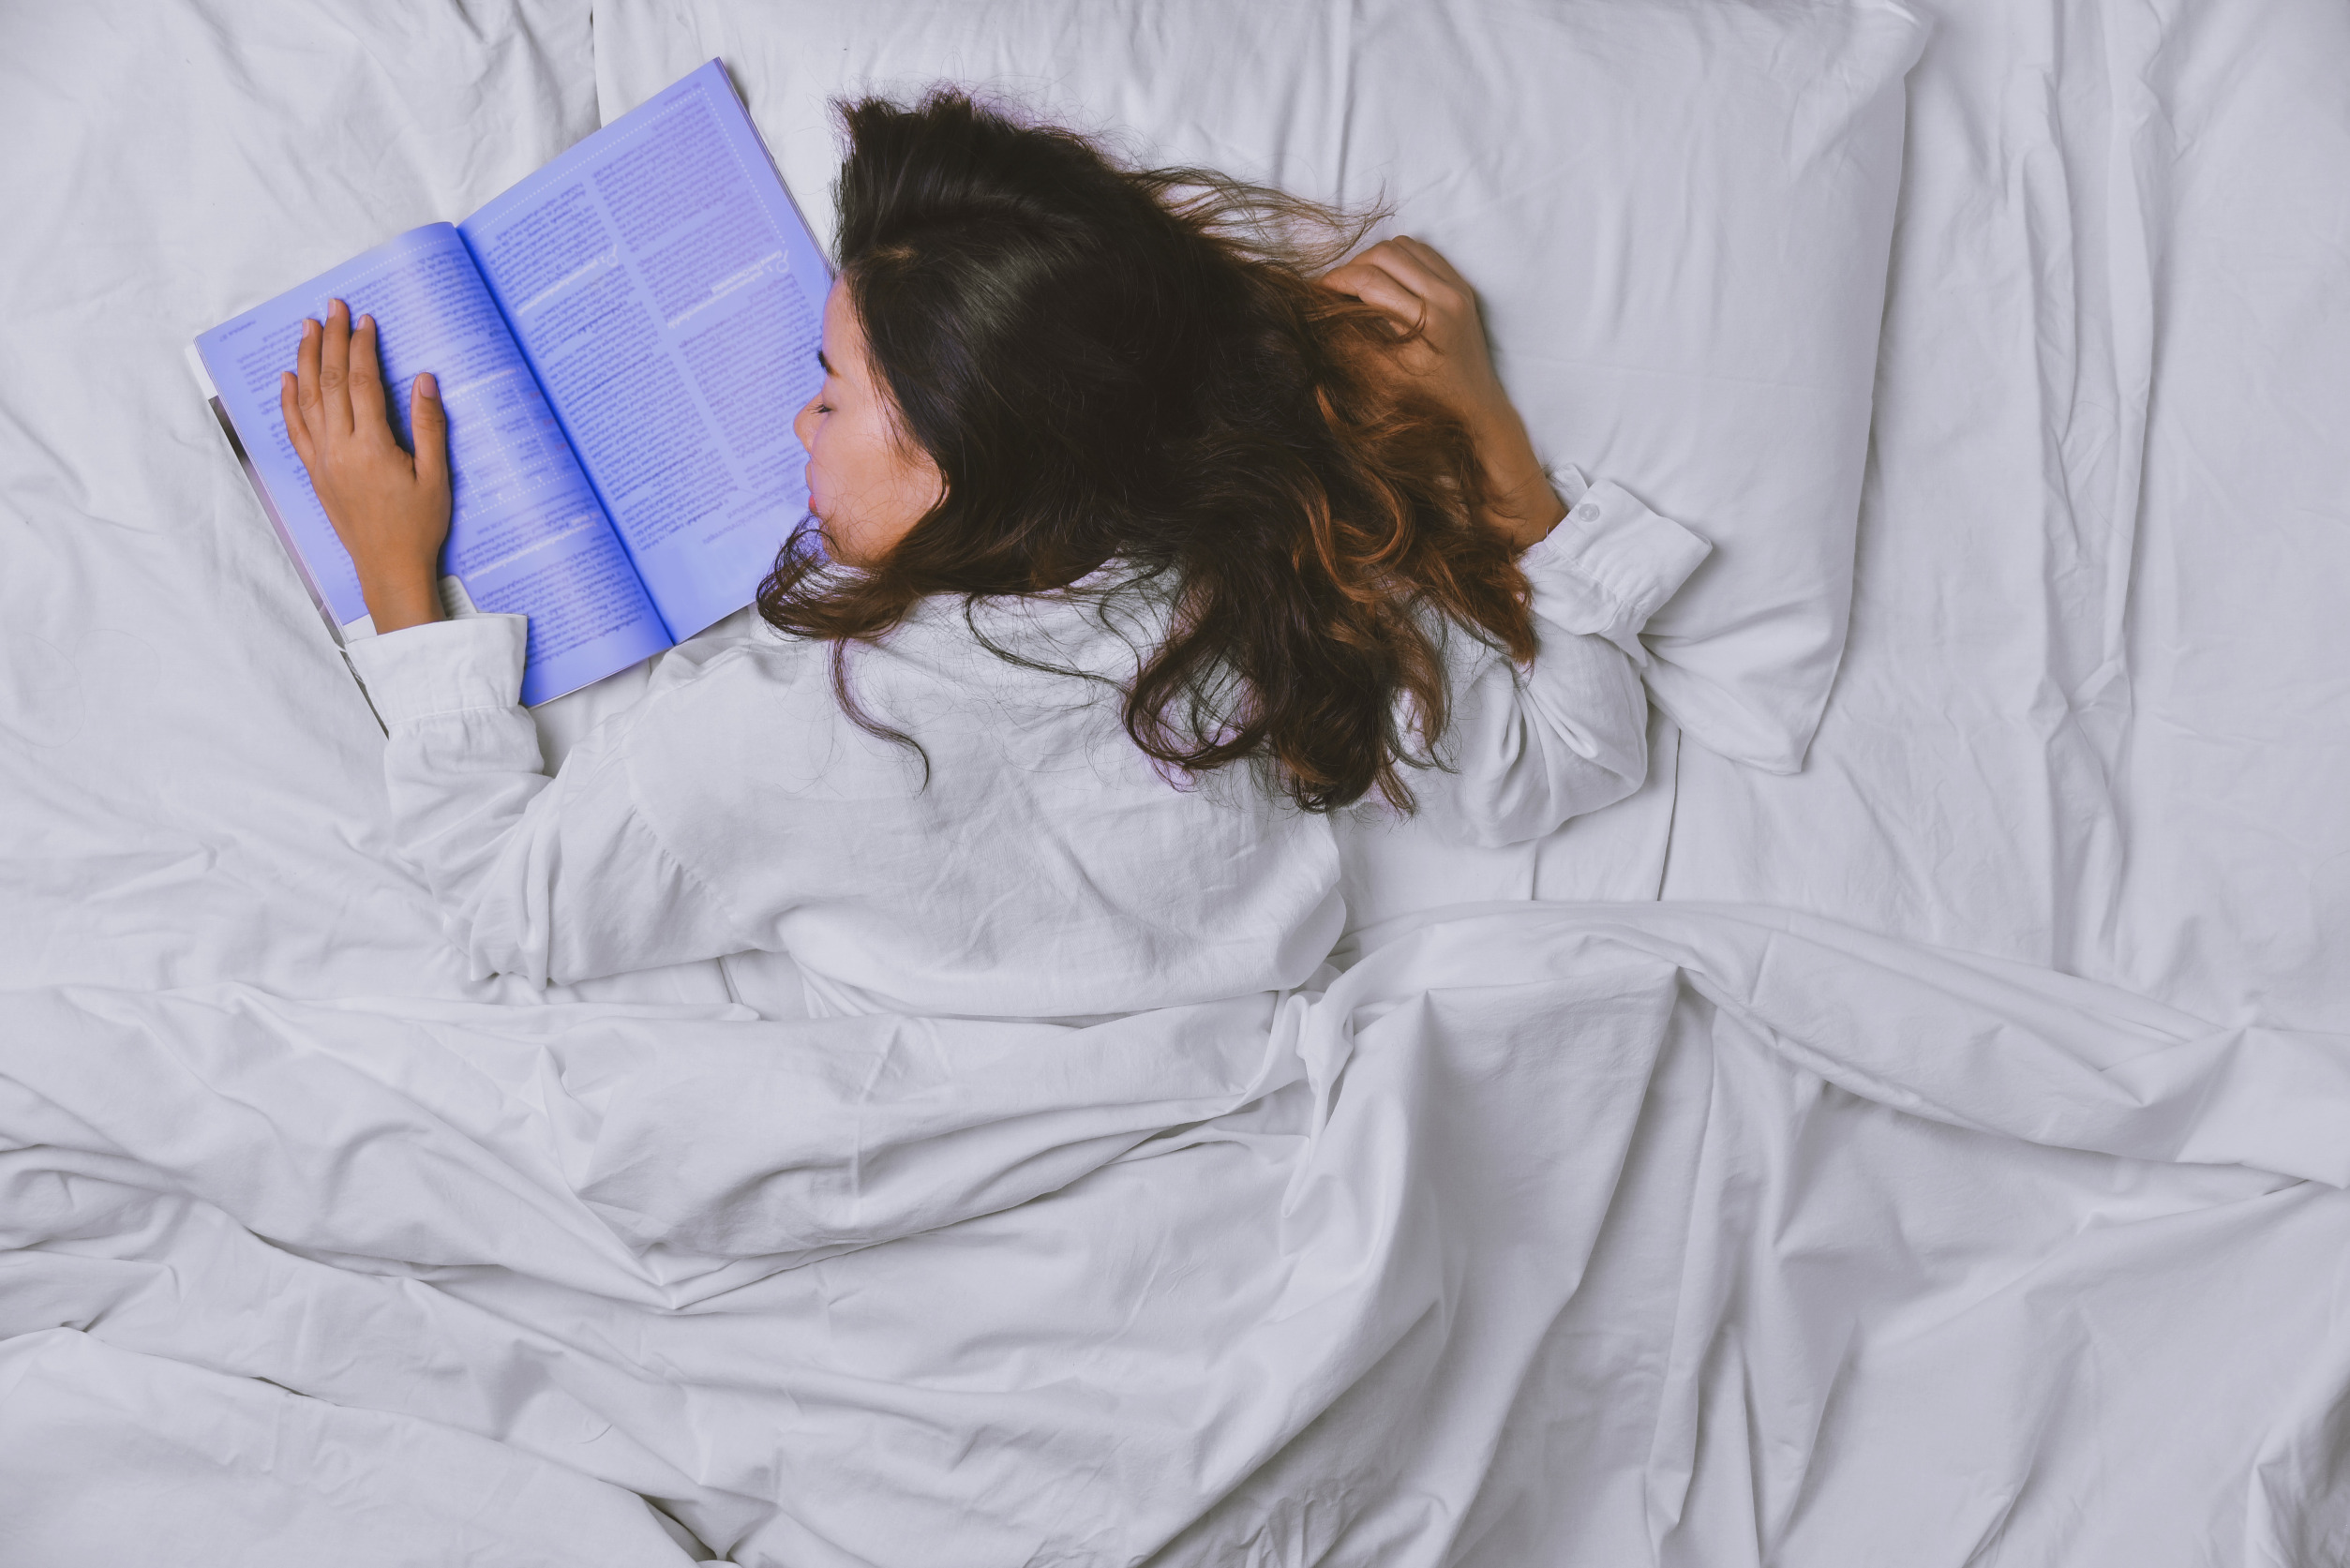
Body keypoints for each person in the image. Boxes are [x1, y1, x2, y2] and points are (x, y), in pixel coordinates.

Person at [280, 91, 1708, 1020]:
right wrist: (1492, 446)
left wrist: (400, 577)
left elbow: (500, 904)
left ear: (959, 460)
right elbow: (1575, 755)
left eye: (831, 393)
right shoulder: (1252, 579)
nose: (795, 418)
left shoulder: (785, 739)